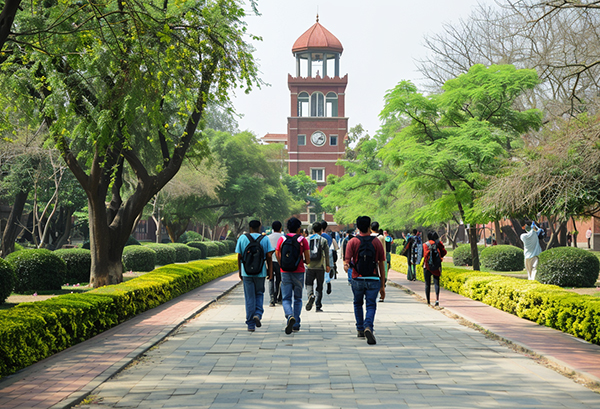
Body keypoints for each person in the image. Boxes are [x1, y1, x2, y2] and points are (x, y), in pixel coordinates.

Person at [344, 216, 386, 345]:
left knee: (357, 303)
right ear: (369, 227)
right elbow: (381, 264)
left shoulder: (352, 242)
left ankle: (360, 329)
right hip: (373, 278)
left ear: (357, 227)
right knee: (371, 305)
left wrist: (348, 269)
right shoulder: (376, 242)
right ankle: (368, 326)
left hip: (357, 278)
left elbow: (346, 263)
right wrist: (382, 285)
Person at [235, 220, 274, 332]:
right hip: (260, 272)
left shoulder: (242, 238)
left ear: (249, 227)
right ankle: (258, 314)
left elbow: (239, 256)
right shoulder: (265, 239)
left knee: (249, 297)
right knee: (259, 293)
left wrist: (240, 271)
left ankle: (250, 324)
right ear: (260, 227)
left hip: (246, 272)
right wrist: (270, 272)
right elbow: (269, 257)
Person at [276, 217, 310, 334]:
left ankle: (289, 315)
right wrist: (303, 261)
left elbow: (277, 253)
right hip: (299, 271)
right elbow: (308, 259)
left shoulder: (282, 238)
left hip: (285, 272)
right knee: (298, 298)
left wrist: (282, 264)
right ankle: (296, 323)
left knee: (286, 298)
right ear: (299, 228)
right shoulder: (302, 240)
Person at [305, 222, 330, 312]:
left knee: (308, 283)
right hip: (320, 266)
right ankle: (318, 306)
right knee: (319, 286)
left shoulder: (307, 239)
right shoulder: (323, 240)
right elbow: (327, 254)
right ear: (321, 230)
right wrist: (328, 265)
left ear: (312, 230)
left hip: (309, 266)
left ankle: (310, 295)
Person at [422, 231, 447, 307]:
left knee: (427, 284)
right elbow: (444, 252)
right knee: (436, 283)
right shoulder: (439, 244)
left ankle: (428, 301)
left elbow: (424, 255)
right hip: (436, 266)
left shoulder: (425, 244)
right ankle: (437, 299)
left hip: (427, 266)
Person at [267, 221, 284, 307]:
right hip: (280, 261)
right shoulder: (283, 237)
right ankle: (279, 297)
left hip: (270, 261)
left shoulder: (268, 237)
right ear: (280, 228)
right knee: (280, 280)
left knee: (271, 279)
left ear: (272, 228)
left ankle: (272, 299)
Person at [320, 221, 339, 294]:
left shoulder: (318, 236)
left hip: (320, 255)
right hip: (328, 253)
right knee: (327, 269)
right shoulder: (329, 236)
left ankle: (320, 284)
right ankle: (328, 281)